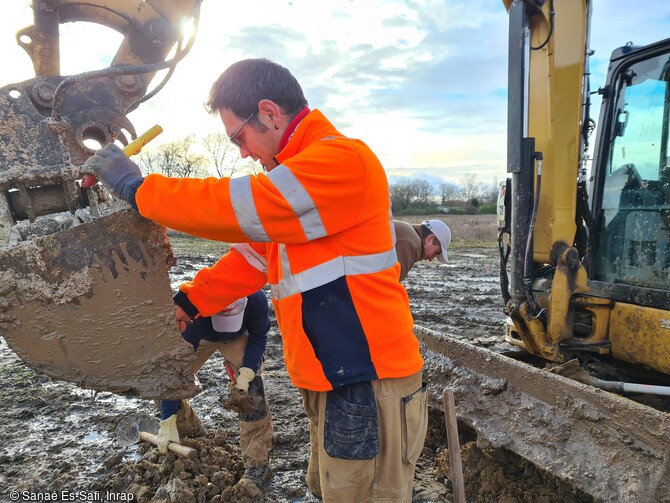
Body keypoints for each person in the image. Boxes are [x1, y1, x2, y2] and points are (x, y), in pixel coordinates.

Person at [82, 57, 427, 502]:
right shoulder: (298, 186)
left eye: (239, 137)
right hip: (335, 379)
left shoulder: (342, 161)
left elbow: (240, 206)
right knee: (334, 491)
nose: (243, 151)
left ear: (269, 112)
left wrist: (139, 189)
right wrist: (189, 302)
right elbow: (249, 262)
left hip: (369, 380)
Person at [157, 290, 273, 490]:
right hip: (202, 336)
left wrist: (247, 372)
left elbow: (258, 337)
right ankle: (188, 433)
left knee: (253, 390)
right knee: (162, 384)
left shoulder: (256, 299)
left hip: (240, 335)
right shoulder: (192, 309)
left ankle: (257, 464)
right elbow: (171, 370)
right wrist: (167, 418)